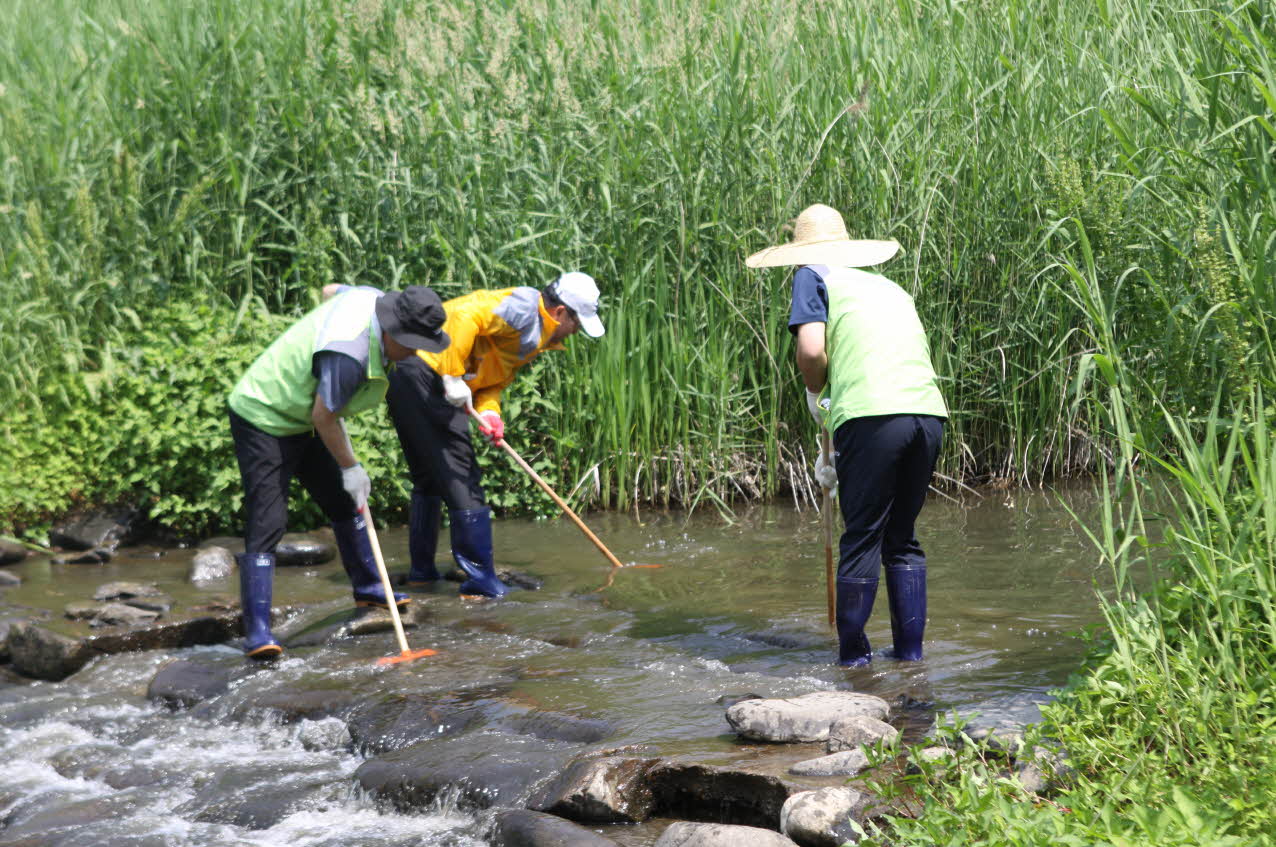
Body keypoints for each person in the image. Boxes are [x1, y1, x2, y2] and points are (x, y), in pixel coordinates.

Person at [746, 204, 947, 666]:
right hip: (928, 414)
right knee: (902, 538)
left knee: (861, 536)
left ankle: (853, 663)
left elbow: (811, 350)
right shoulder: (885, 285)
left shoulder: (810, 276)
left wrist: (817, 394)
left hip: (872, 415)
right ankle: (910, 660)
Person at [226, 284, 450, 658]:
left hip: (302, 416)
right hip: (263, 412)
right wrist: (352, 467)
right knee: (269, 518)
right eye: (411, 344)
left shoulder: (372, 298)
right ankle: (258, 632)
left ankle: (370, 589)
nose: (414, 353)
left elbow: (333, 290)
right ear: (392, 331)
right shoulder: (349, 354)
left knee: (345, 502)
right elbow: (324, 416)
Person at [385, 272, 604, 598]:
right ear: (560, 313)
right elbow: (465, 314)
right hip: (423, 371)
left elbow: (492, 380)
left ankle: (422, 576)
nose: (575, 332)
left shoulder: (538, 334)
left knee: (429, 479)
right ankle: (480, 585)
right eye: (577, 322)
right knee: (464, 478)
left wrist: (489, 413)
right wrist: (452, 374)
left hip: (413, 375)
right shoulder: (522, 310)